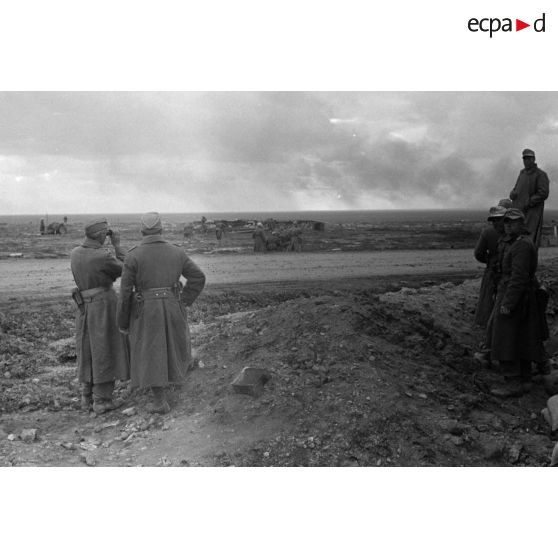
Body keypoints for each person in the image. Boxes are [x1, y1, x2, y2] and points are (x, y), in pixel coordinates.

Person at [117, 212, 206, 414]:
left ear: (142, 231)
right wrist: (184, 301)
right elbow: (198, 278)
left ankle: (159, 401)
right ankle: (175, 385)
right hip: (173, 304)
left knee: (150, 349)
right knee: (173, 344)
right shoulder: (177, 252)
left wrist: (123, 322)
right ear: (161, 230)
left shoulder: (133, 255)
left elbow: (124, 294)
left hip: (146, 308)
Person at [70, 218, 129, 413]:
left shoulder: (75, 253)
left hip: (84, 308)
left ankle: (86, 397)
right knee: (105, 348)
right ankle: (102, 400)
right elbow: (127, 268)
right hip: (103, 306)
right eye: (106, 234)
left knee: (87, 348)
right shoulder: (102, 256)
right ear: (102, 235)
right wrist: (118, 245)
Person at [490, 208, 547, 397]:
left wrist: (508, 303)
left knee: (506, 339)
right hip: (518, 296)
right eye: (506, 222)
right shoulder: (516, 243)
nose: (508, 225)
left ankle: (513, 382)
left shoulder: (521, 246)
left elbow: (519, 277)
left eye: (513, 222)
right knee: (521, 338)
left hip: (515, 296)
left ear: (522, 224)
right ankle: (525, 380)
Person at [473, 204, 508, 327]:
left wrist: (489, 261)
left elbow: (478, 253)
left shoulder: (488, 232)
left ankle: (487, 325)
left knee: (488, 300)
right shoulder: (518, 232)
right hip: (510, 273)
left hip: (493, 270)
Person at [509, 148, 550, 248]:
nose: (526, 161)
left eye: (529, 158)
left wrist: (529, 202)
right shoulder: (522, 173)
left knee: (529, 237)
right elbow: (516, 188)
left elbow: (543, 193)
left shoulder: (541, 174)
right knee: (516, 237)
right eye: (525, 158)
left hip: (532, 213)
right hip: (518, 211)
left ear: (534, 159)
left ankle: (530, 261)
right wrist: (512, 193)